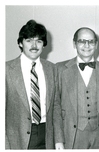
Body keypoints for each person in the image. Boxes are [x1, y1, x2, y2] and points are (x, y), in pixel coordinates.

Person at [53, 27, 99, 149]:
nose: (87, 45)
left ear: (96, 45)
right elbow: (56, 106)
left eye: (91, 41)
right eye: (82, 41)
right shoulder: (60, 69)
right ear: (74, 44)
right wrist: (58, 139)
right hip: (71, 135)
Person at [5, 20, 56, 149]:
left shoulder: (52, 69)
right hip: (17, 138)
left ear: (44, 45)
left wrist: (58, 140)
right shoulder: (5, 70)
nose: (34, 45)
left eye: (39, 41)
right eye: (29, 40)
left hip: (47, 135)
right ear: (20, 43)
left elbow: (56, 106)